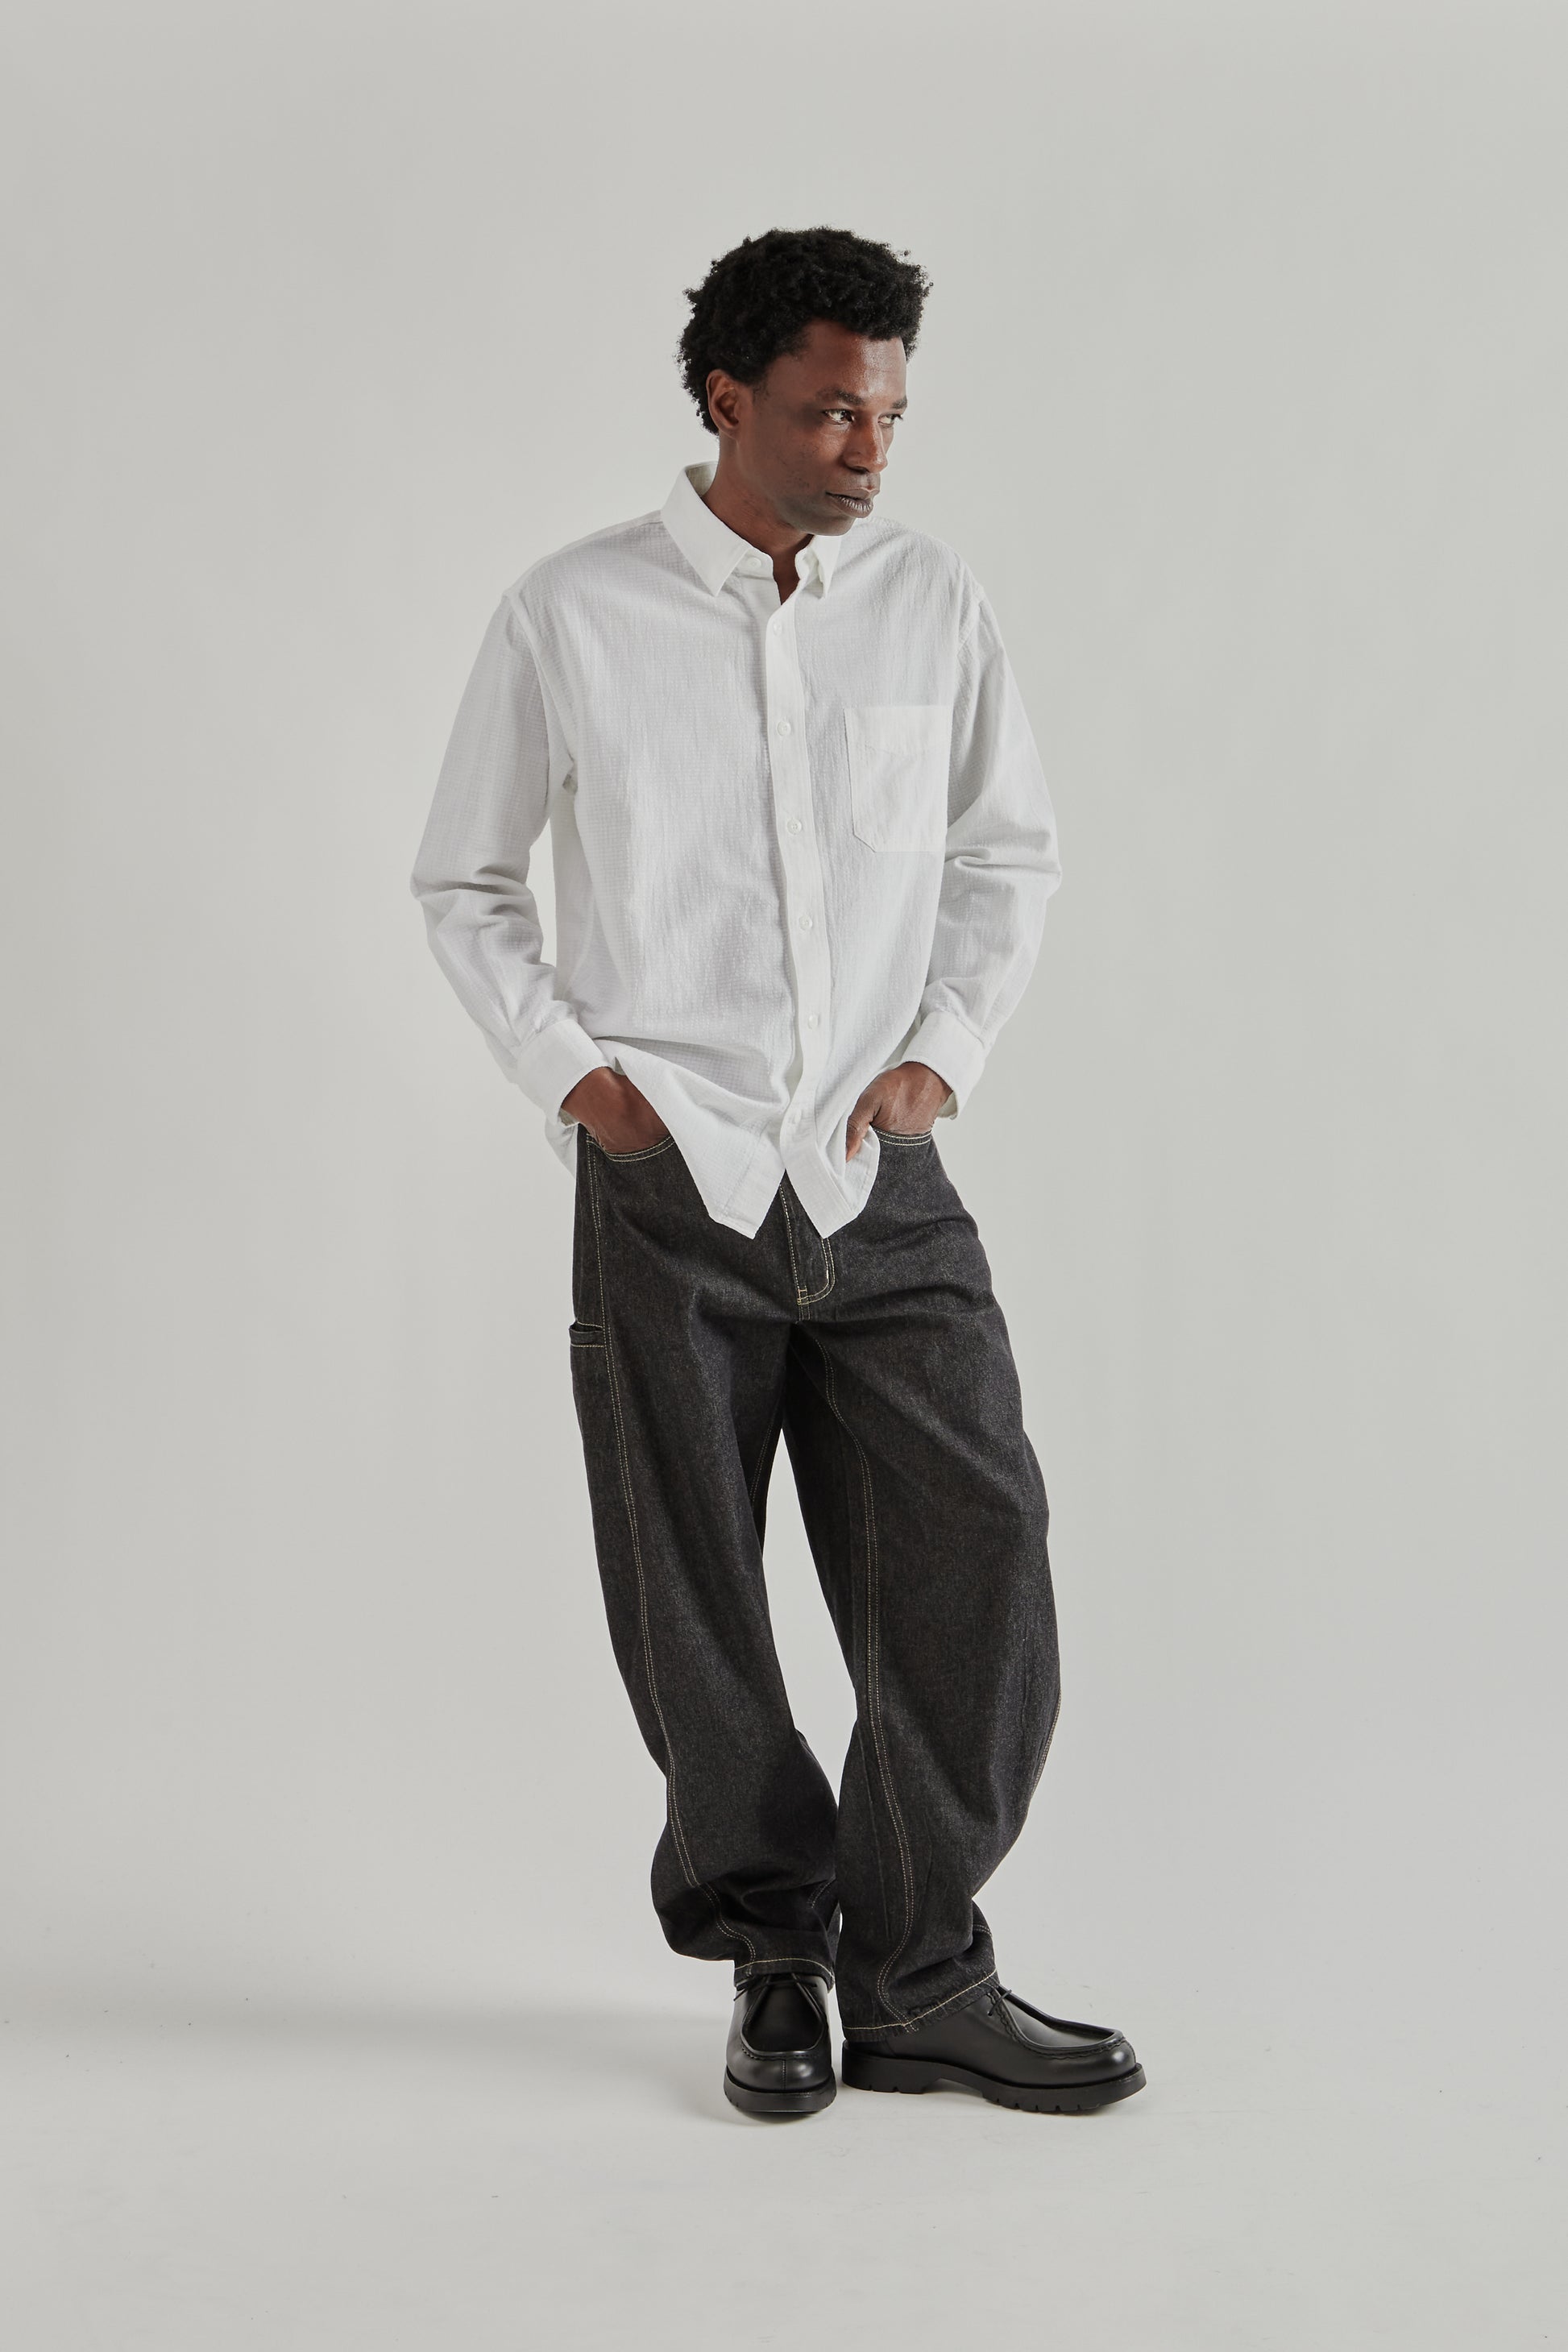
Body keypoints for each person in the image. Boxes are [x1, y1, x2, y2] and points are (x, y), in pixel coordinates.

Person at [411, 226, 1144, 2120]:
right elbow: (466, 880)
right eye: (829, 412)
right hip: (670, 1176)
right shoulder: (568, 613)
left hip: (875, 1170)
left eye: (887, 413)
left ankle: (918, 1973)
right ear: (727, 400)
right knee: (694, 1597)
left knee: (979, 1546)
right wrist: (584, 1084)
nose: (867, 448)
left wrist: (942, 1052)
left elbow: (1008, 852)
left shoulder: (928, 599)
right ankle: (776, 1959)